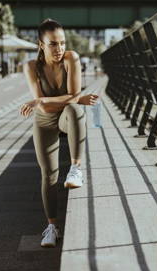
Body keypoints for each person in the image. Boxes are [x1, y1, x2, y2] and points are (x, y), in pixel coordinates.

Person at [19, 18, 99, 248]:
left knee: (74, 109)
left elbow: (72, 97)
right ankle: (52, 227)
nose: (60, 48)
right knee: (49, 175)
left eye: (62, 43)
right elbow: (45, 109)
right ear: (41, 44)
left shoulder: (71, 59)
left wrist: (43, 98)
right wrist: (73, 98)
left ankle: (76, 168)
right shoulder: (31, 67)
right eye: (53, 44)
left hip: (66, 118)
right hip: (44, 123)